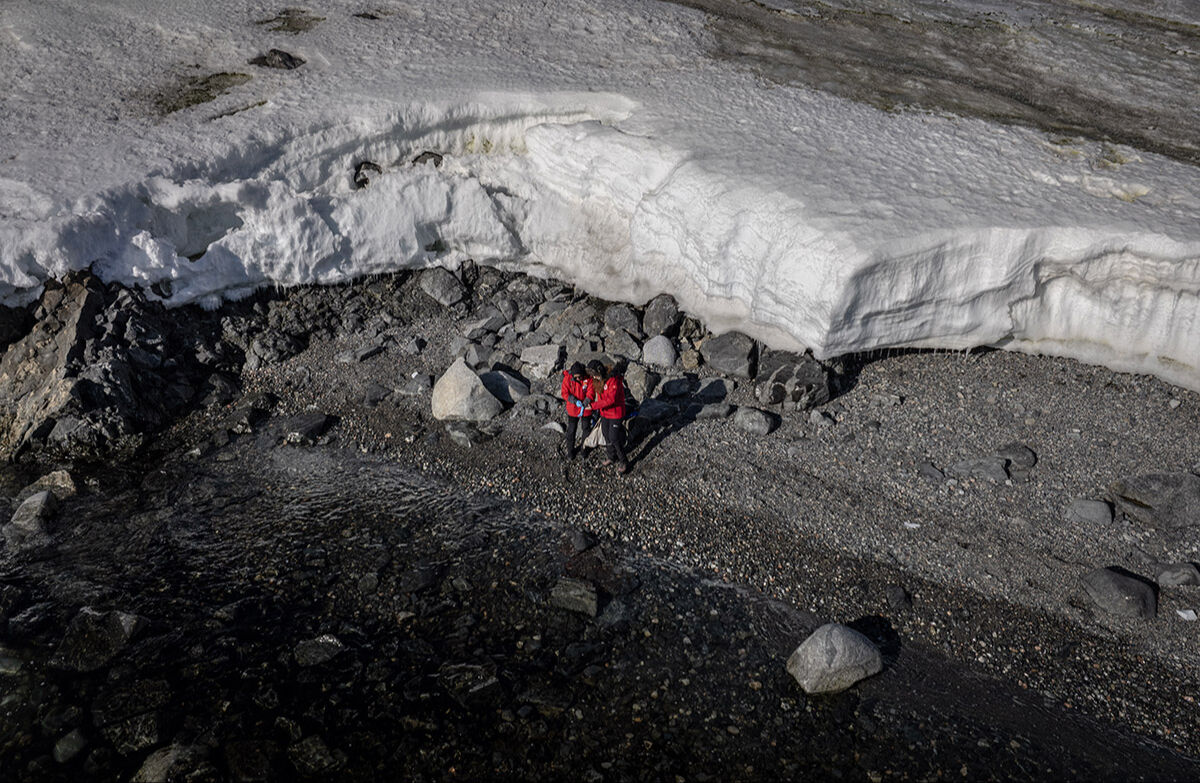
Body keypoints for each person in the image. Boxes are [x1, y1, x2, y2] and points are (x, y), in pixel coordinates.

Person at [587, 359, 629, 474]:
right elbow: (599, 396)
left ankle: (623, 461)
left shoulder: (613, 380)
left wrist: (593, 406)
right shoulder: (598, 380)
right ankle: (611, 457)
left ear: (599, 371)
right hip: (605, 413)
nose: (593, 377)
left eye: (594, 374)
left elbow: (611, 400)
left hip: (616, 413)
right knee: (606, 435)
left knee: (614, 438)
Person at [560, 361, 595, 460]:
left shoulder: (588, 379)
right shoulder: (568, 379)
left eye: (580, 376)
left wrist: (586, 401)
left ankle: (584, 450)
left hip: (586, 407)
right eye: (576, 377)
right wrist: (574, 401)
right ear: (573, 375)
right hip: (573, 408)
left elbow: (591, 391)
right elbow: (564, 393)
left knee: (586, 428)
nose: (579, 379)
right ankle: (570, 451)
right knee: (571, 430)